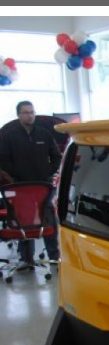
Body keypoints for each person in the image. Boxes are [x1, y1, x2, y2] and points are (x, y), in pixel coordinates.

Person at [0, 101, 62, 265]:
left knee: (48, 219)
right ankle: (26, 260)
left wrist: (49, 172)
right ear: (19, 115)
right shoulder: (8, 135)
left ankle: (54, 257)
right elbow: (3, 160)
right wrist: (14, 177)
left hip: (43, 186)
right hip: (21, 186)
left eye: (32, 112)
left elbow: (56, 156)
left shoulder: (44, 134)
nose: (30, 115)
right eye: (26, 112)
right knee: (24, 220)